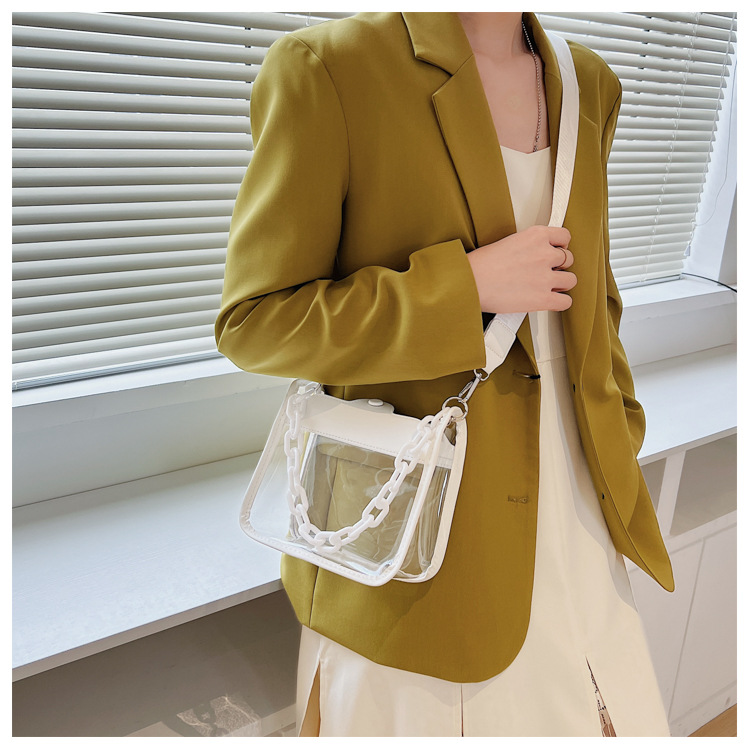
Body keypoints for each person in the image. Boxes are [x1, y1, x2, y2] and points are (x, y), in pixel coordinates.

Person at [216, 12, 675, 737]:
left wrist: (621, 428)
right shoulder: (328, 68)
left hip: (581, 500)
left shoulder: (588, 81)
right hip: (421, 519)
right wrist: (463, 290)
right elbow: (257, 322)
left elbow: (594, 295)